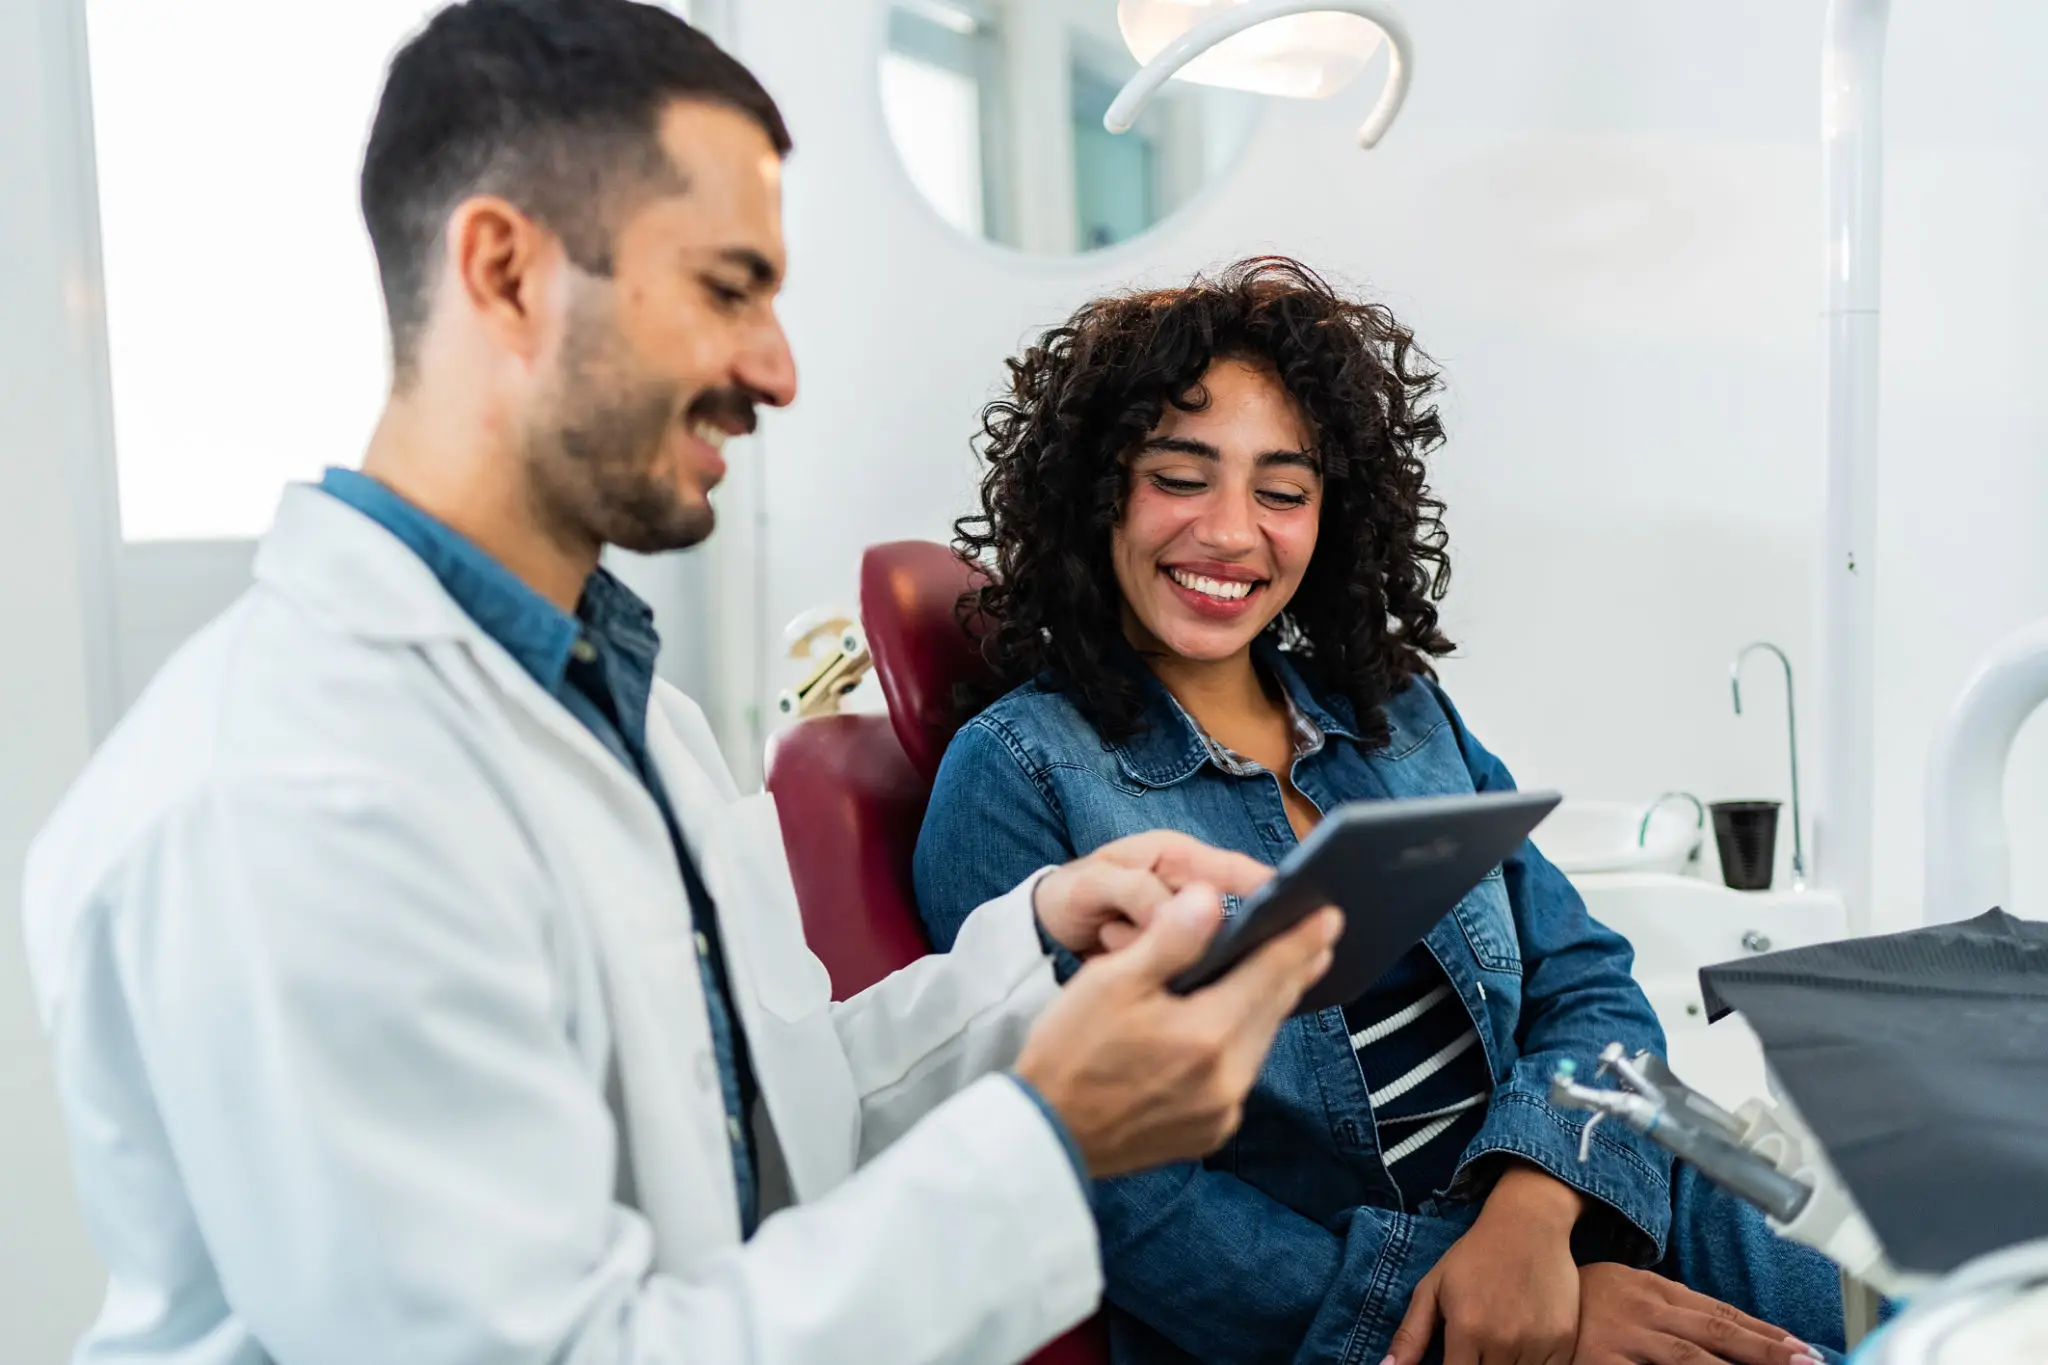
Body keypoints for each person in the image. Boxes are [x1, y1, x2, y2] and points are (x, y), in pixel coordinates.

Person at [19, 9, 1347, 1364]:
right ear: (505, 270)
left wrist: (1041, 954)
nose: (776, 367)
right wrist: (1052, 1143)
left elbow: (773, 1116)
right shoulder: (299, 793)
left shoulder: (623, 702)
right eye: (727, 289)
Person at [914, 258, 1849, 1365]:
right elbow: (1117, 1191)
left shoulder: (1400, 718)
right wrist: (1505, 1320)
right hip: (1364, 1311)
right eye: (1179, 476)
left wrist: (1531, 1217)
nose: (1229, 532)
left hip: (1591, 1185)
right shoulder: (1019, 773)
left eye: (1280, 490)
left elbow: (1585, 980)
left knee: (1944, 1313)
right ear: (1093, 490)